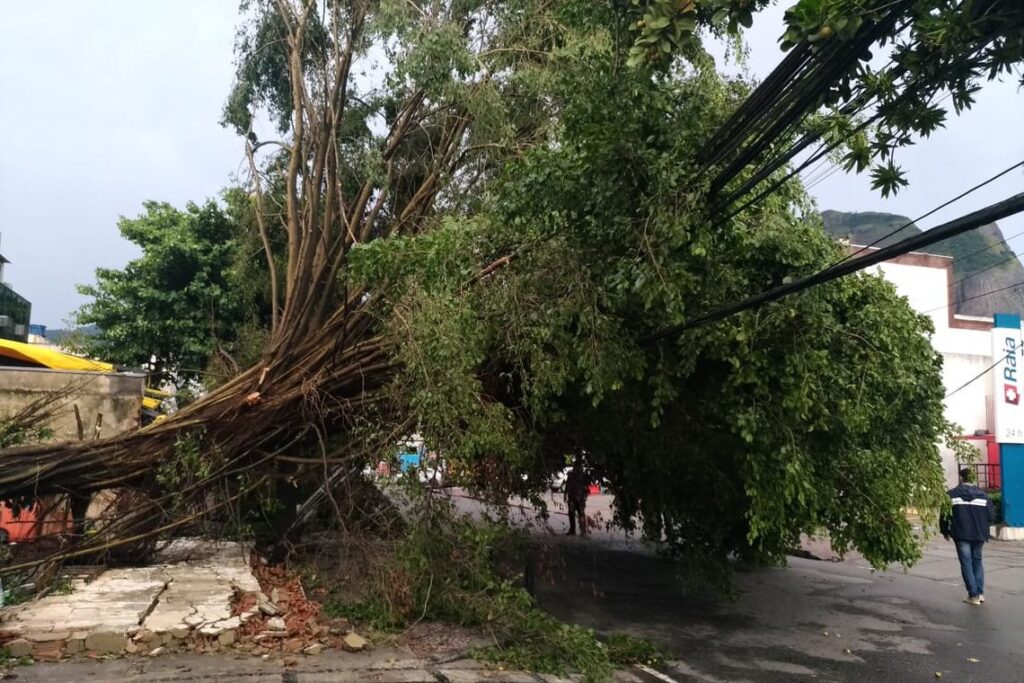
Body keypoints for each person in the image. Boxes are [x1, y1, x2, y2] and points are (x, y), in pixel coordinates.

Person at [940, 467, 995, 605]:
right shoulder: (983, 495)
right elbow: (991, 516)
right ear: (973, 479)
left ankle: (973, 595)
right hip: (979, 534)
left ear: (961, 478)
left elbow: (944, 515)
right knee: (977, 561)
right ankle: (980, 593)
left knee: (966, 563)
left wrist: (945, 531)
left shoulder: (951, 495)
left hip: (961, 533)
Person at [565, 461, 590, 536]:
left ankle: (582, 531)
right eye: (575, 466)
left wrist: (585, 496)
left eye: (577, 466)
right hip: (572, 497)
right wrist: (565, 494)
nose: (576, 468)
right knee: (571, 513)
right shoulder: (571, 474)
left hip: (580, 497)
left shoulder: (584, 475)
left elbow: (587, 487)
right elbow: (568, 484)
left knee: (581, 514)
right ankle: (573, 530)